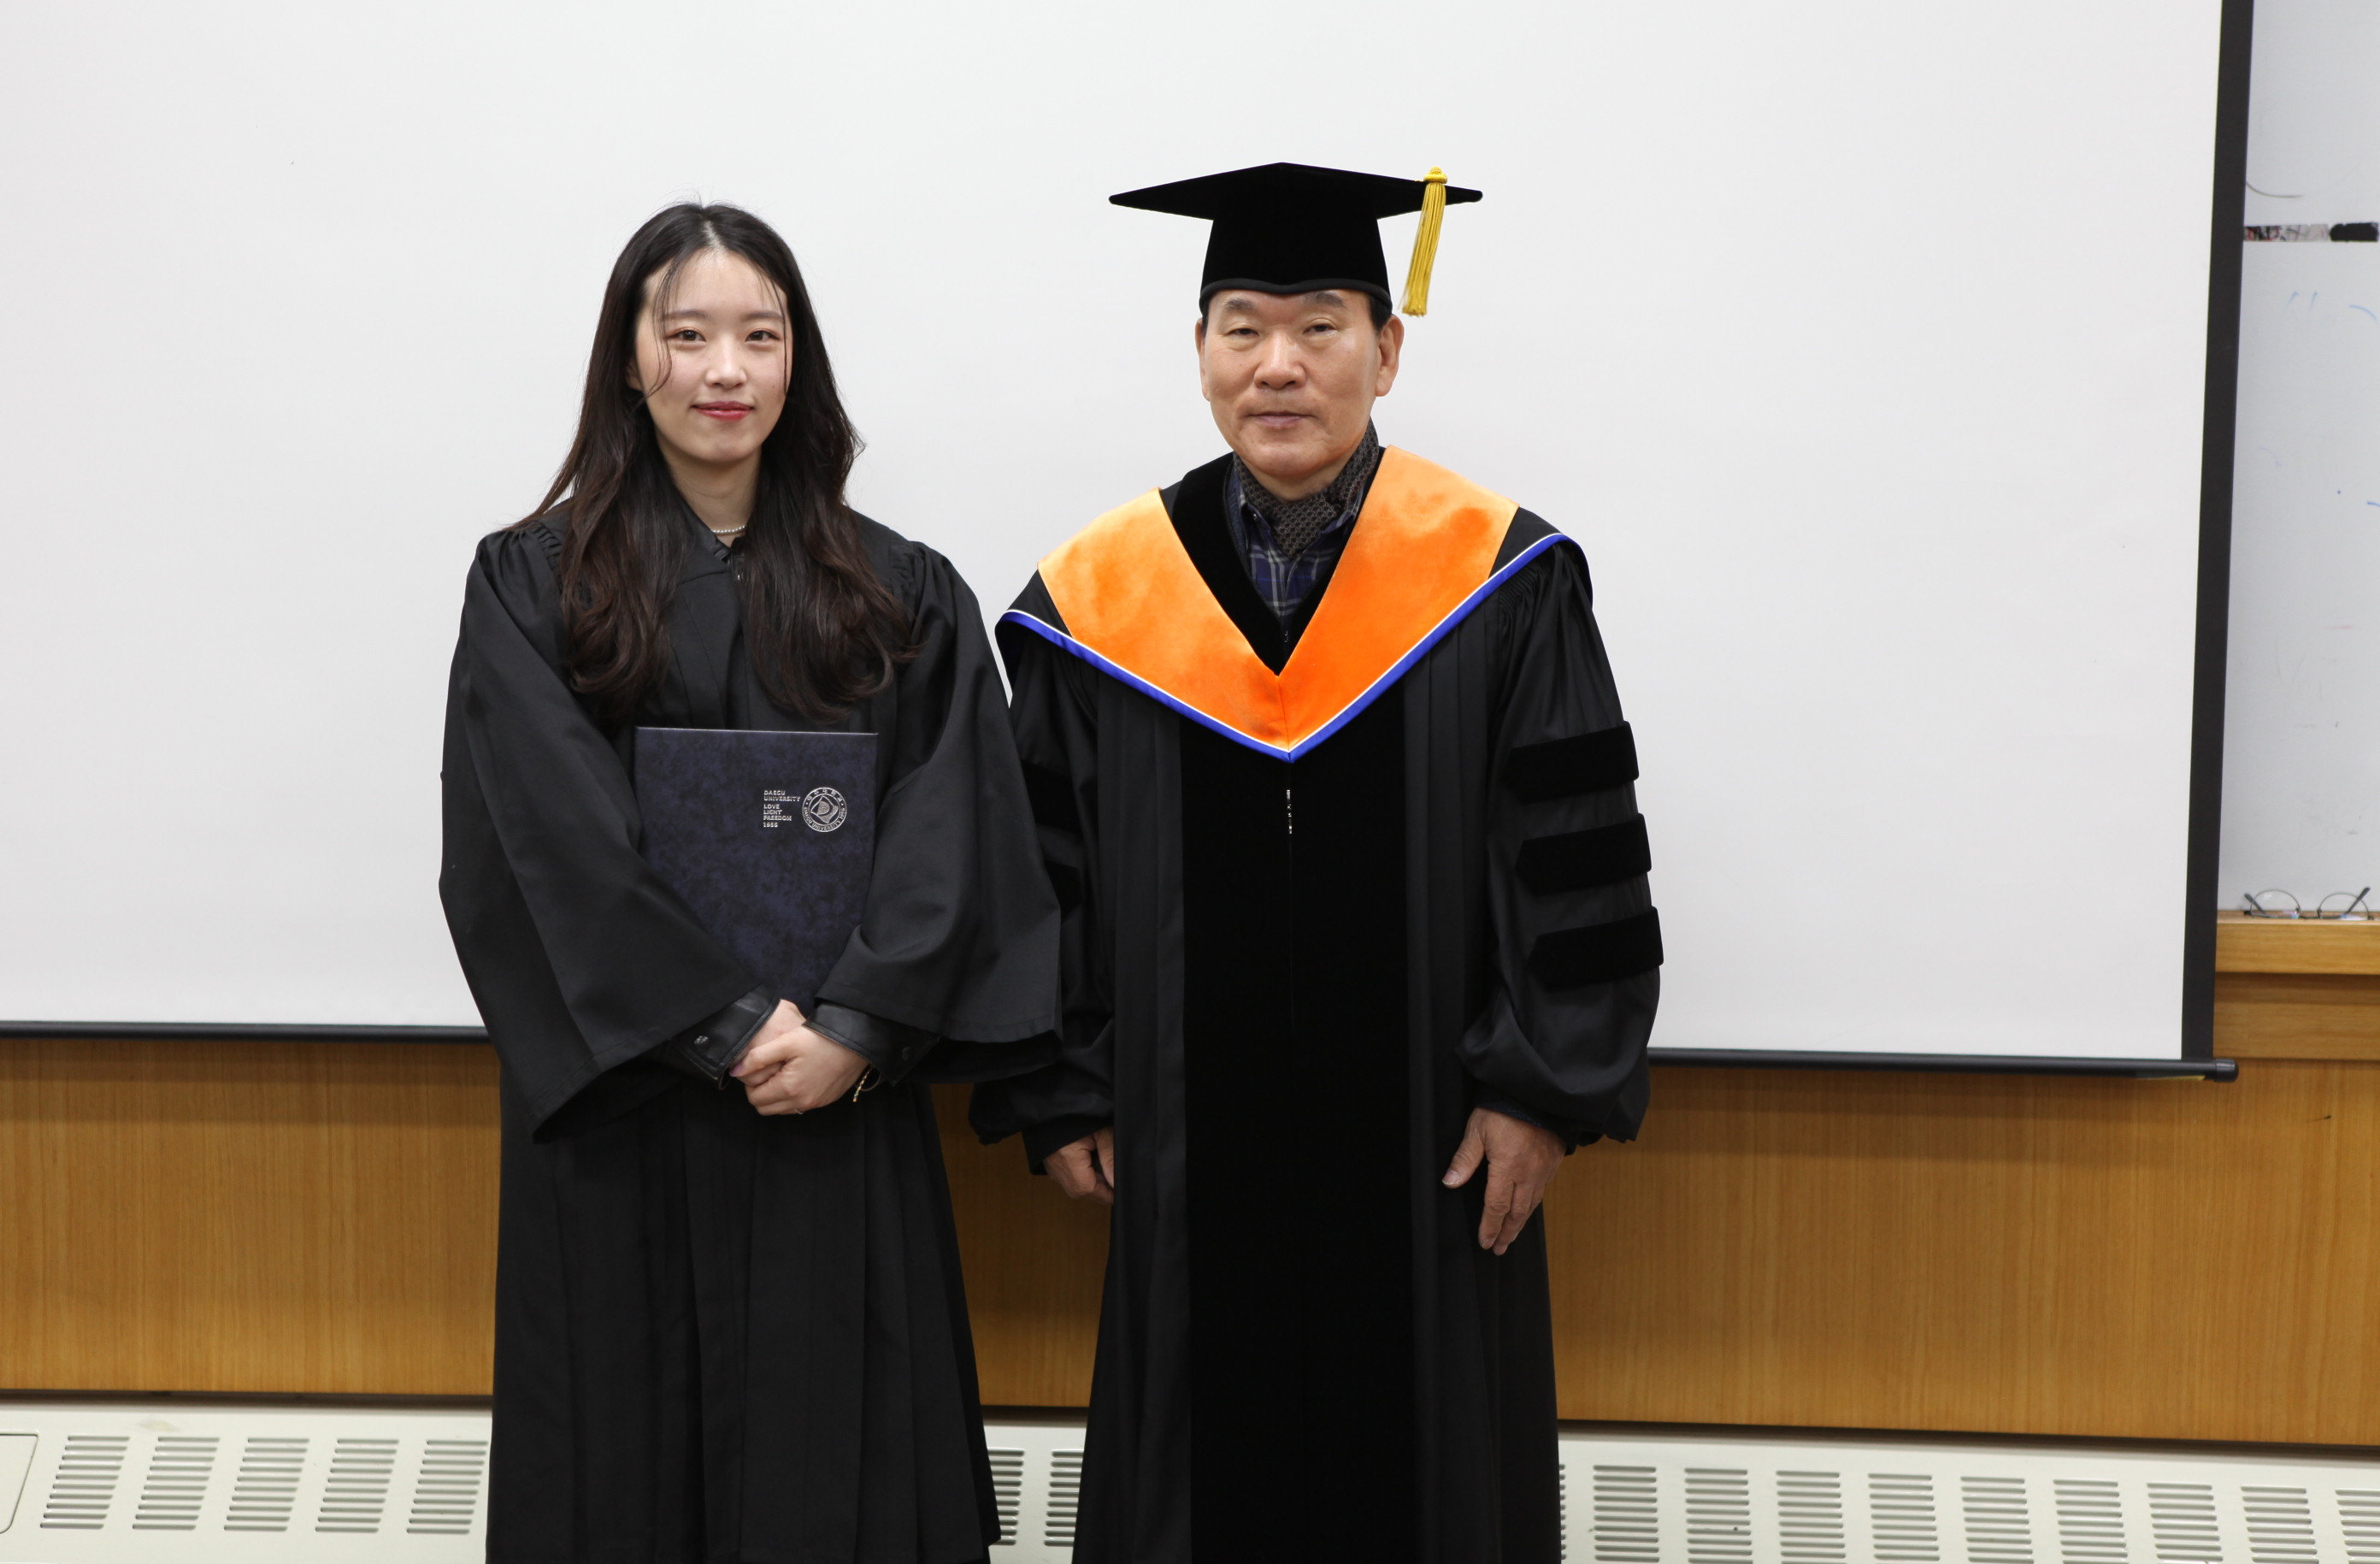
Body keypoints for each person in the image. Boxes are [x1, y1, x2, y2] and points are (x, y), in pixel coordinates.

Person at [971, 163, 1662, 1563]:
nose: (1277, 365)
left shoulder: (1503, 581)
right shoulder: (1097, 603)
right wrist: (1064, 1082)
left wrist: (1536, 1091)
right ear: (1201, 352)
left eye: (1320, 328)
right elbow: (1040, 868)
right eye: (1243, 328)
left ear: (1386, 352)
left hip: (1434, 1153)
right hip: (1182, 1154)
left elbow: (1571, 865)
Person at [440, 203, 1057, 1563]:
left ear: (797, 362)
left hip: (839, 1107)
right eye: (687, 335)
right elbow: (543, 846)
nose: (725, 369)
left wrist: (858, 1027)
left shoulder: (898, 593)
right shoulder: (533, 588)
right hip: (631, 1108)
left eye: (760, 337)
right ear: (630, 359)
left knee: (848, 1462)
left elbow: (951, 827)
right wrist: (723, 1024)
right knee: (623, 1460)